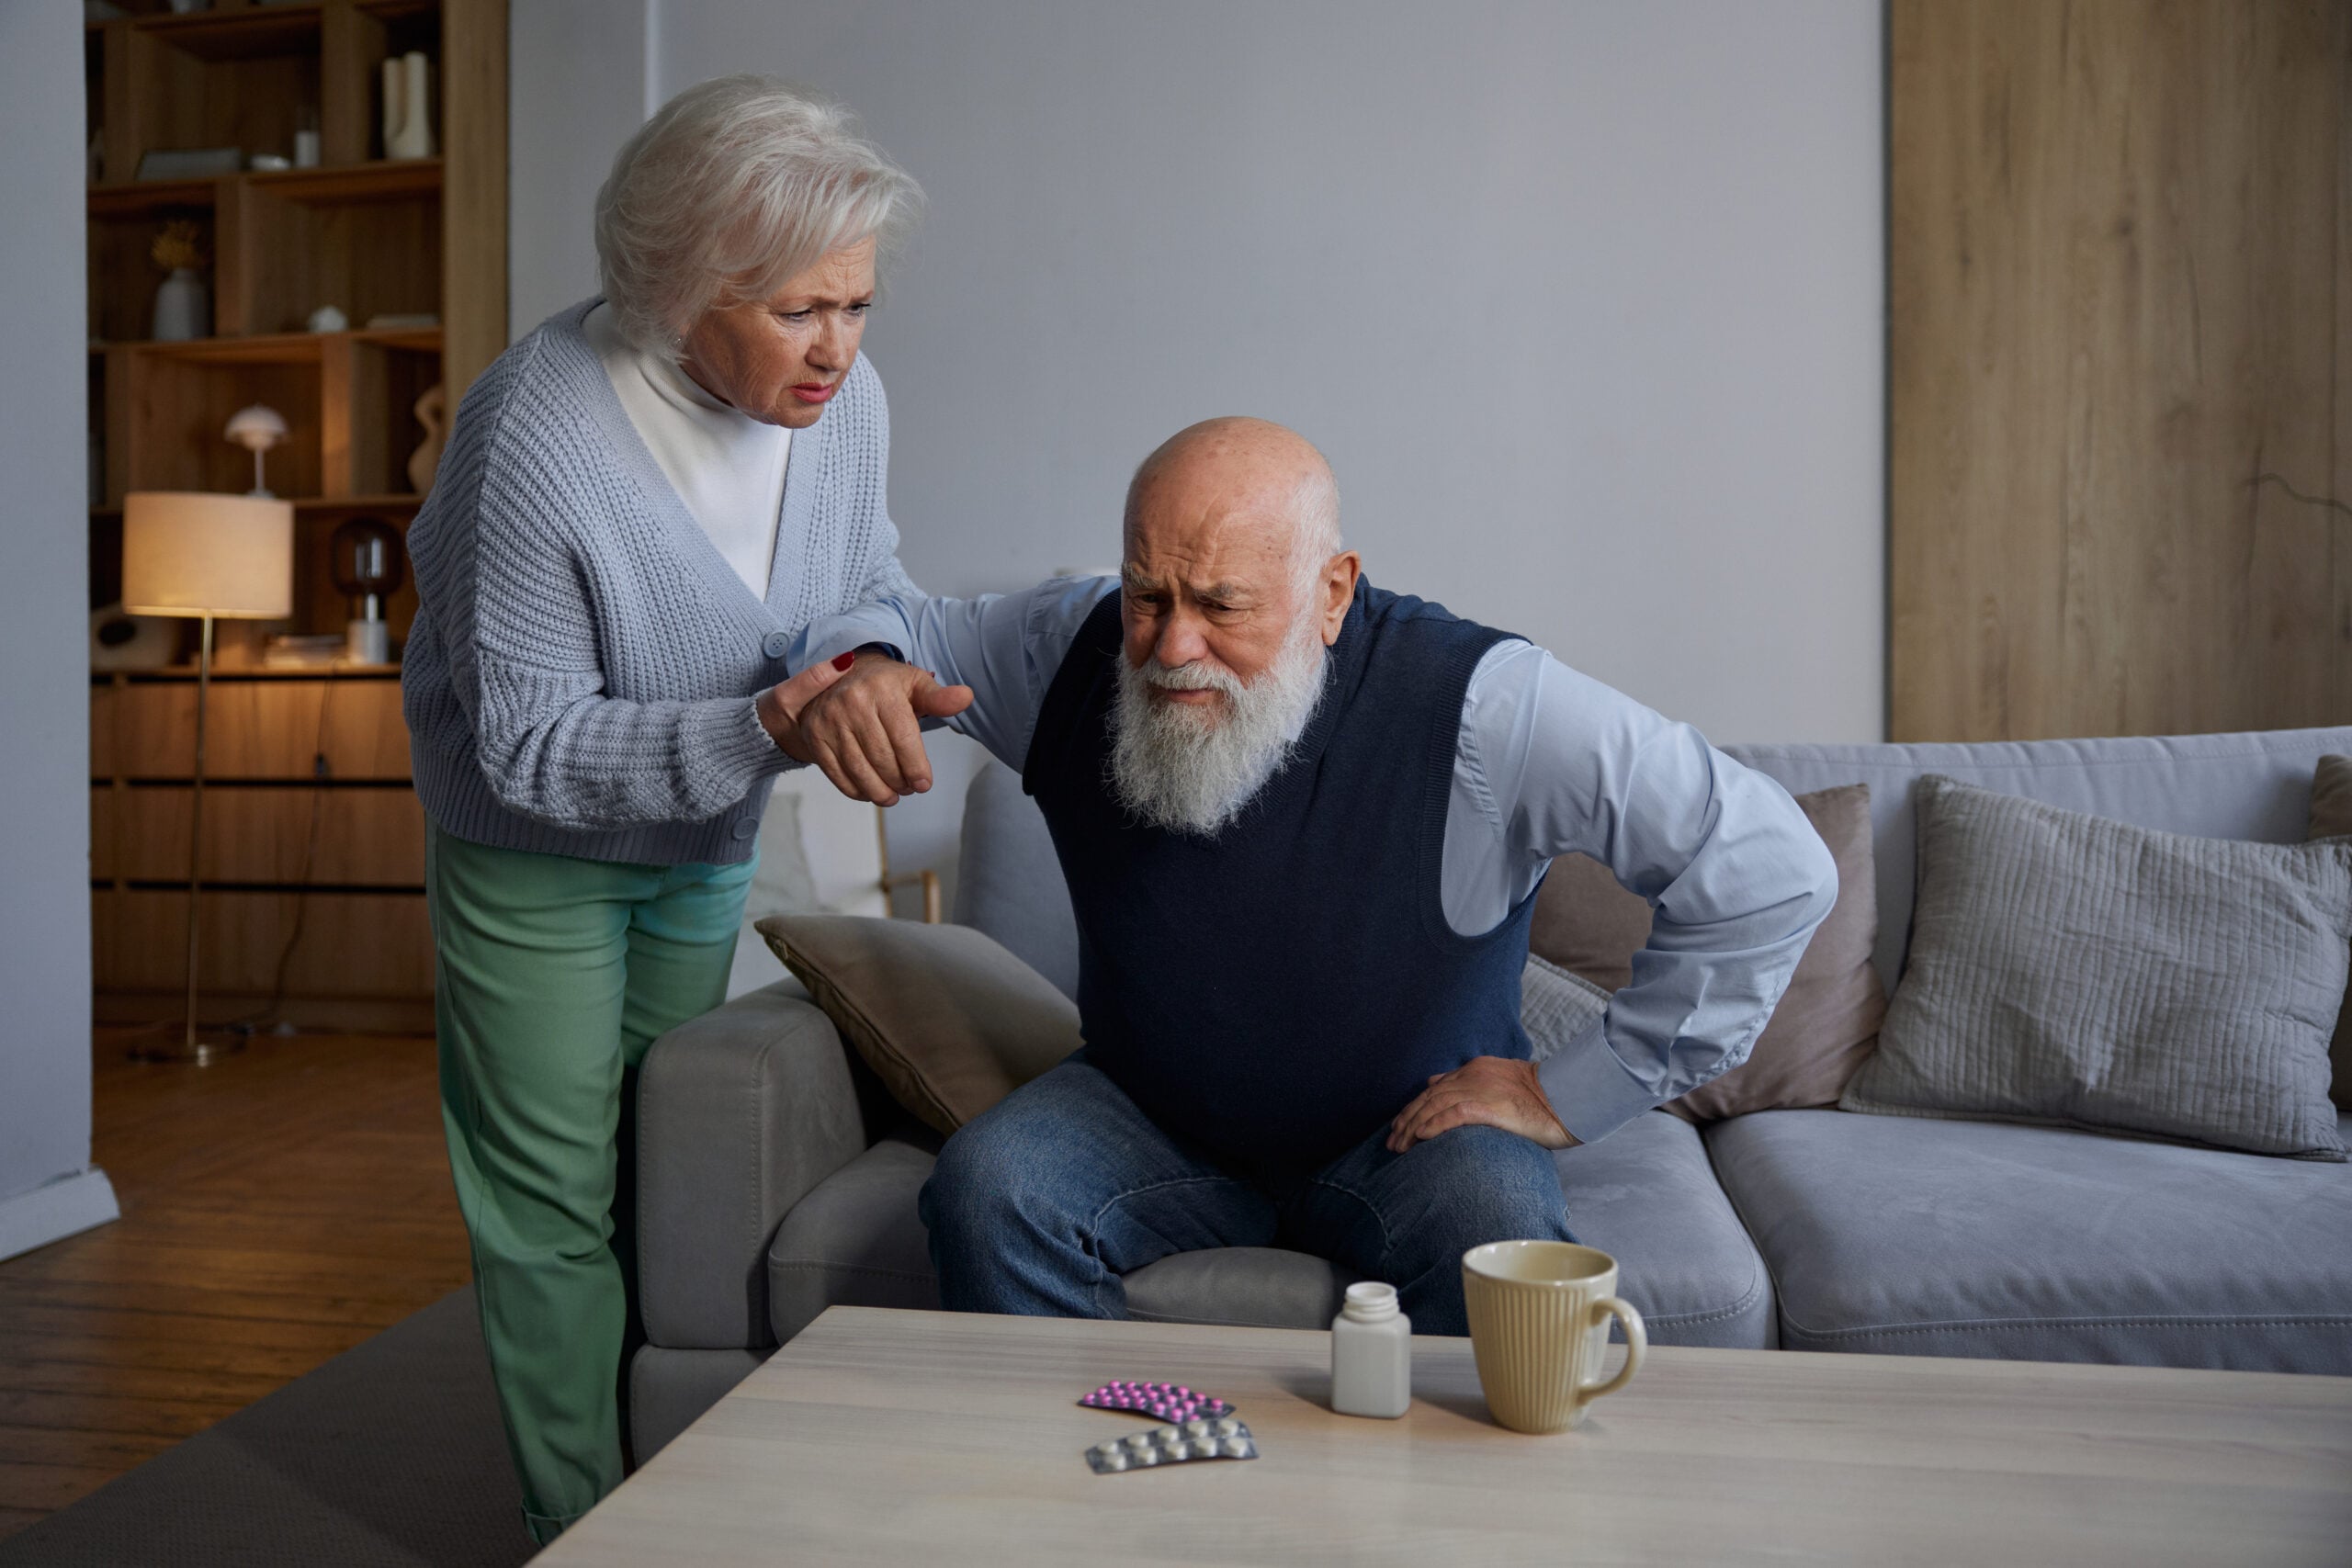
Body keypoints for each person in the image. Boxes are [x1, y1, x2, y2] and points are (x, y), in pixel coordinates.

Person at [790, 417, 1838, 1334]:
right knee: (988, 1190)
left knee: (1500, 1240)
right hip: (1148, 1112)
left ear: (1332, 590)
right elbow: (882, 620)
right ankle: (1086, 1503)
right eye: (1147, 595)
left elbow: (1770, 866)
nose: (1169, 647)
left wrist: (1567, 1093)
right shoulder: (1072, 643)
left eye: (1222, 605)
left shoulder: (1493, 707)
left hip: (1413, 1132)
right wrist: (867, 666)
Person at [401, 77, 963, 1542]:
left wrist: (880, 659)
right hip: (534, 850)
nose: (838, 347)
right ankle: (579, 1523)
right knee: (548, 1204)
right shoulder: (532, 433)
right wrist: (775, 720)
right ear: (681, 287)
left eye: (858, 305)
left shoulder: (846, 409)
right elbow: (524, 744)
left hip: (698, 836)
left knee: (666, 1168)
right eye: (798, 311)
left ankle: (675, 1486)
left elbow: (865, 578)